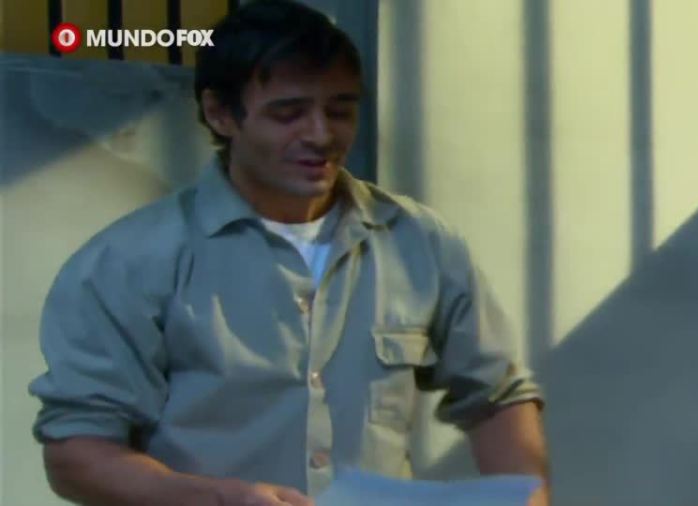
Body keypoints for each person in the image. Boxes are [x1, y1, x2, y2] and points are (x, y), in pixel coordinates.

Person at [28, 1, 549, 505]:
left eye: (339, 111)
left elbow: (498, 398)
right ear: (219, 113)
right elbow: (77, 455)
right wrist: (216, 498)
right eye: (288, 114)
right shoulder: (132, 260)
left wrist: (527, 498)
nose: (321, 135)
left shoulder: (419, 242)